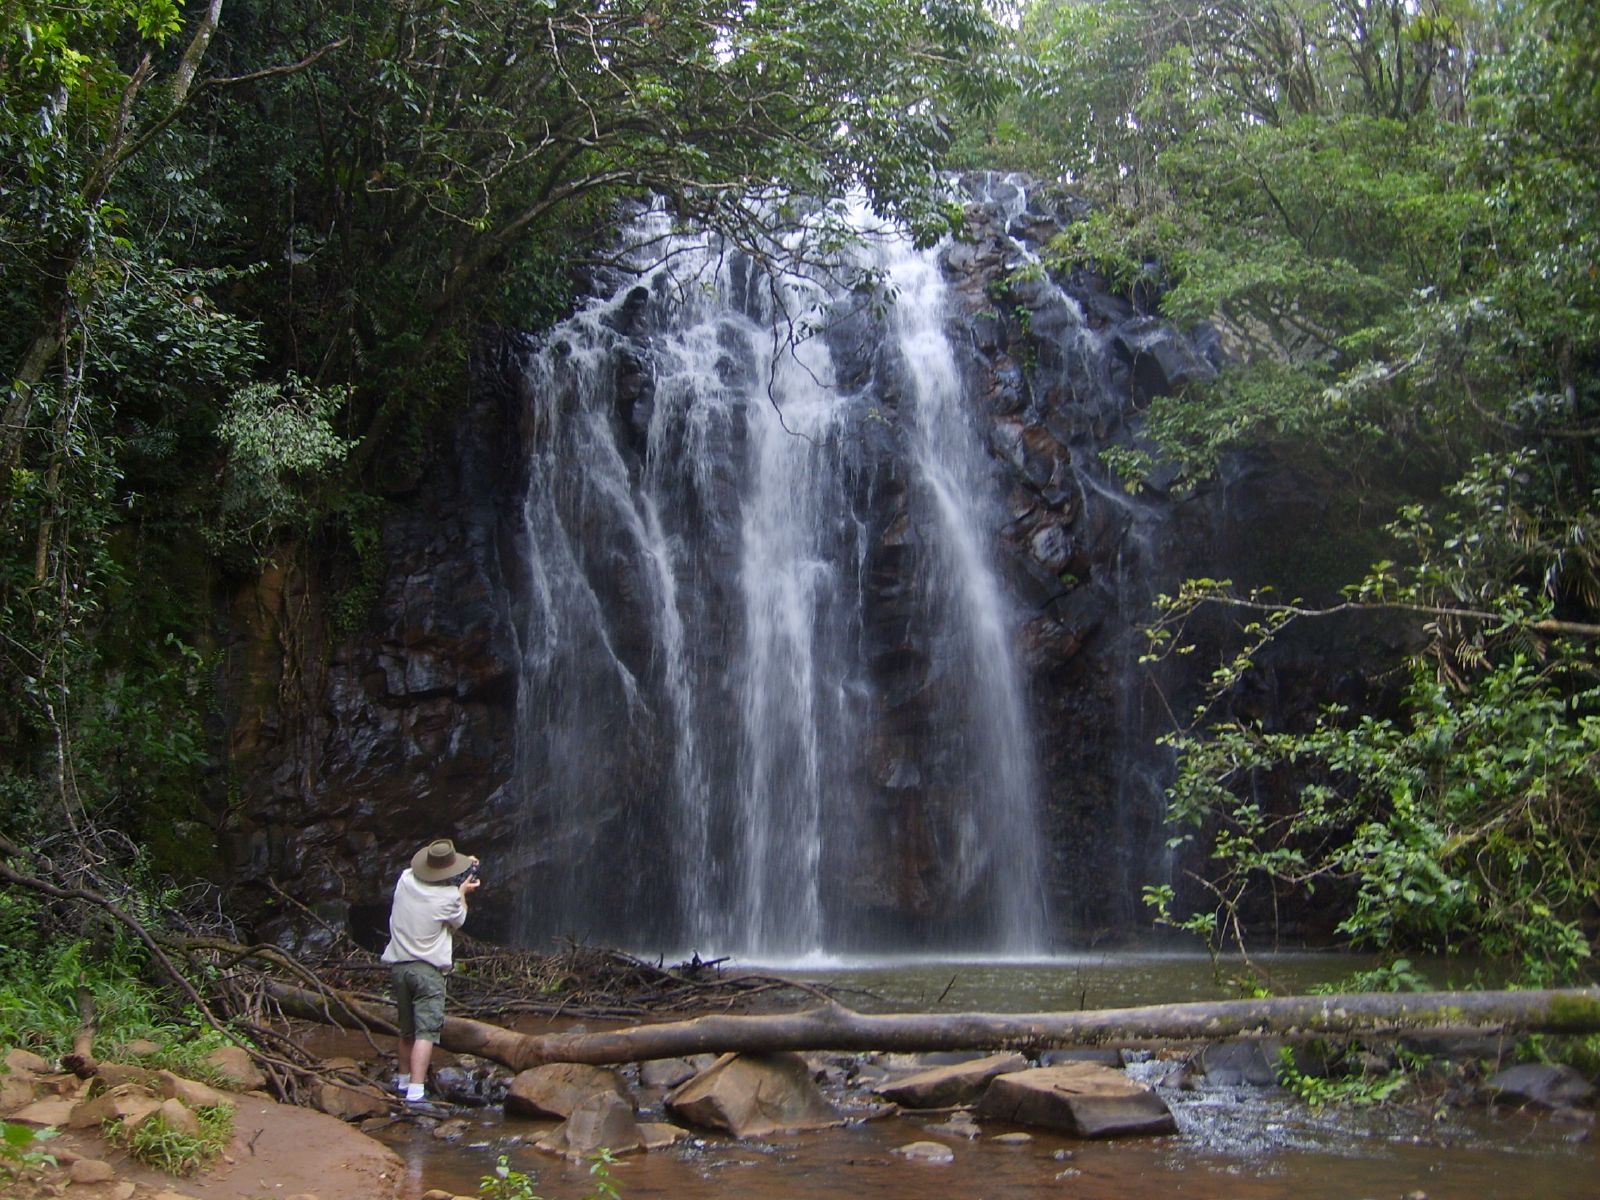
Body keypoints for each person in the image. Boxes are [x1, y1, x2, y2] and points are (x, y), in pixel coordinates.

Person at [382, 838, 480, 1105]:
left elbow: (432, 870)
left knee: (406, 1030)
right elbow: (459, 919)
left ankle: (402, 1081)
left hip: (400, 968)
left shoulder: (404, 880)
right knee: (425, 1033)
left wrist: (462, 863)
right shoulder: (448, 898)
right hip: (427, 972)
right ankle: (416, 1091)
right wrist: (462, 891)